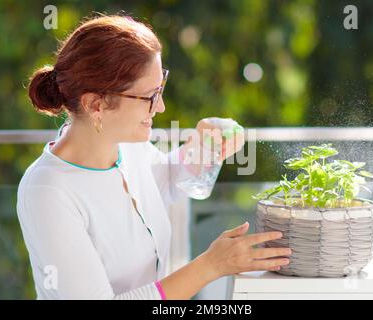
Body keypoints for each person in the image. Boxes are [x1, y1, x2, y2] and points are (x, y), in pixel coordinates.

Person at [17, 14, 291, 300]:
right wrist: (211, 265)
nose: (159, 107)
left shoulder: (124, 145)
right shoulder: (47, 192)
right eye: (149, 96)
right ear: (96, 105)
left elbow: (165, 179)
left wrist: (204, 148)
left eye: (160, 89)